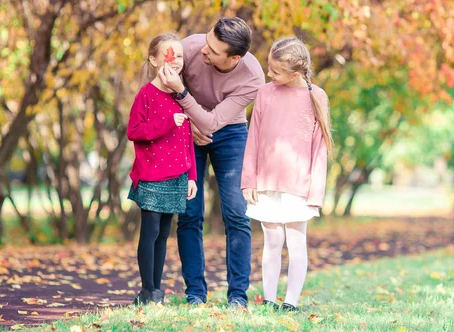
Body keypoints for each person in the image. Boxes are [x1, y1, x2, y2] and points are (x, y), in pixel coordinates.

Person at [158, 17, 265, 308]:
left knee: (237, 214)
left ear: (234, 58)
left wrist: (185, 99)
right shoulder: (191, 47)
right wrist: (187, 123)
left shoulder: (253, 77)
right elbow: (159, 89)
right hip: (186, 129)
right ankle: (195, 293)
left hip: (229, 132)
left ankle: (237, 296)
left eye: (213, 51)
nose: (204, 51)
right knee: (190, 213)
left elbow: (215, 121)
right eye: (207, 41)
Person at [241, 37, 333, 311]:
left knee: (295, 242)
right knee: (272, 241)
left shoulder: (316, 96)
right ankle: (269, 298)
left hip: (299, 186)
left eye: (275, 71)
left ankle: (290, 301)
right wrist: (249, 179)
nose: (269, 74)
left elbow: (319, 149)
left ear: (295, 74)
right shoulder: (265, 93)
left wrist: (315, 193)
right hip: (266, 182)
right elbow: (254, 136)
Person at [126, 32, 197, 305]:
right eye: (168, 55)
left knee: (164, 234)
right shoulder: (146, 94)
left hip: (177, 175)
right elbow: (134, 131)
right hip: (152, 174)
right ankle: (147, 291)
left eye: (179, 55)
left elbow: (187, 139)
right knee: (151, 232)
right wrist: (169, 122)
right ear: (155, 60)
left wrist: (191, 175)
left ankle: (156, 290)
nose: (175, 60)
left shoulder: (182, 95)